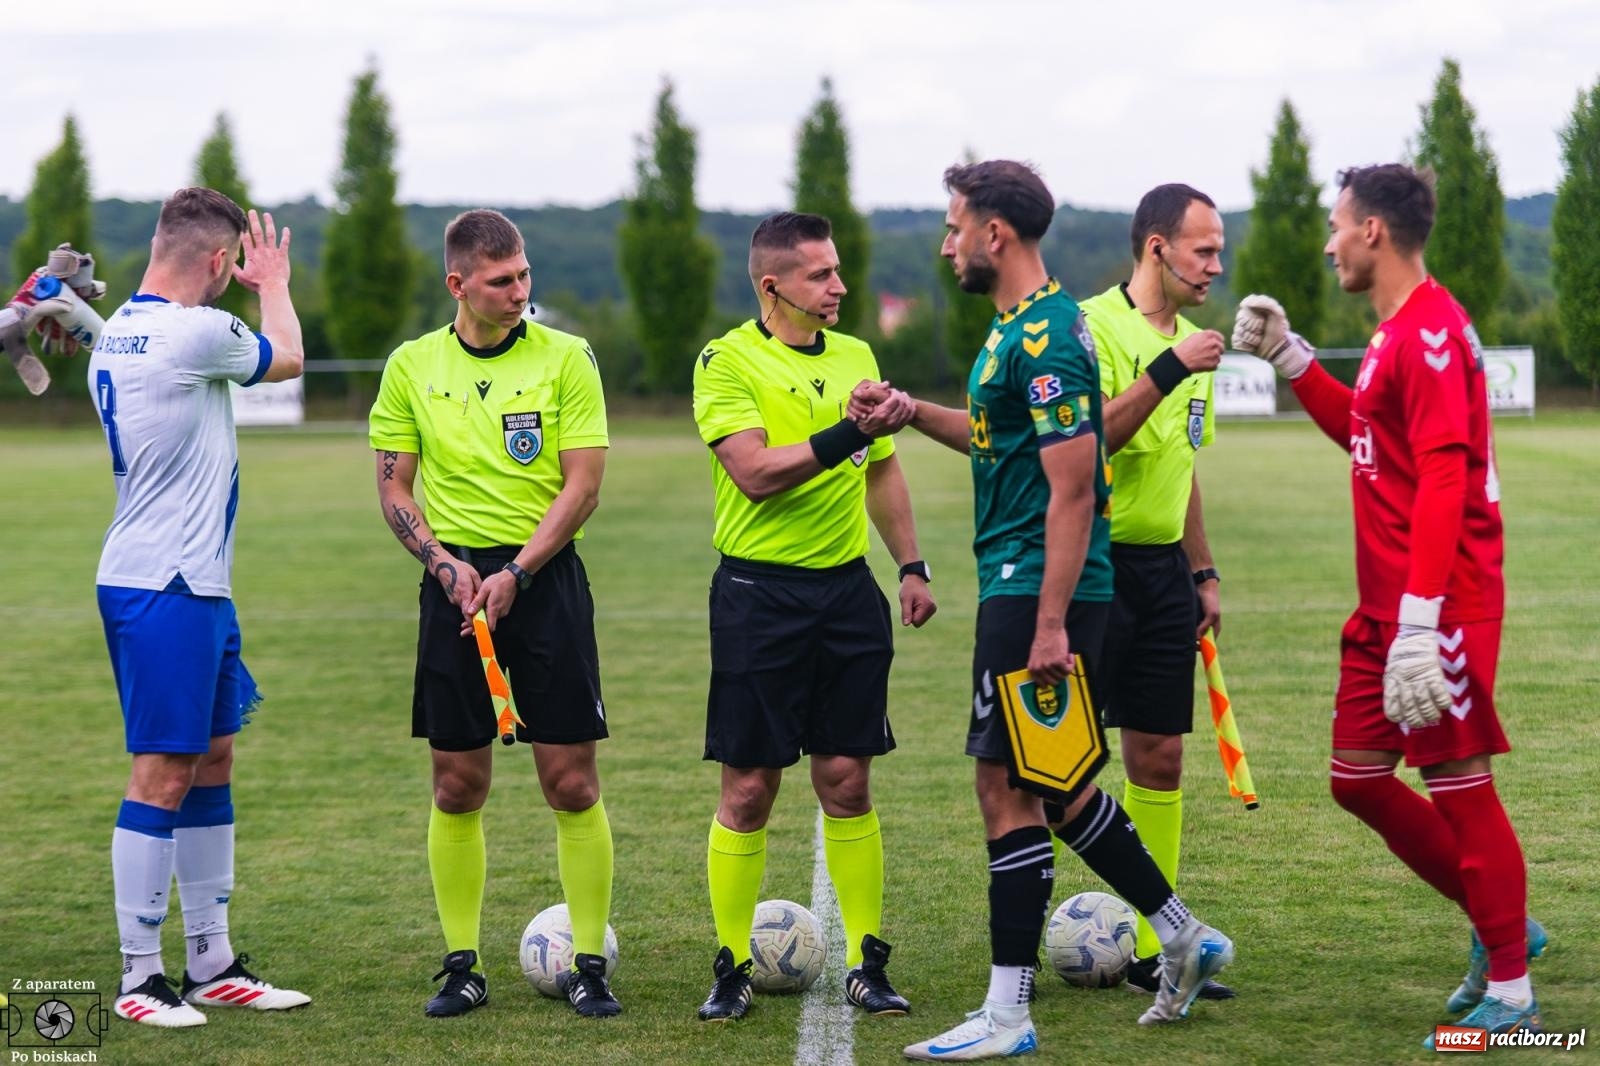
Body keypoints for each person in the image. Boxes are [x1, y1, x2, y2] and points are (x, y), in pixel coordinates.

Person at [849, 161, 1232, 1061]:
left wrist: (1052, 623)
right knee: (1056, 789)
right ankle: (1182, 935)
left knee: (1006, 789)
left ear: (996, 234)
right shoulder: (1016, 328)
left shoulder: (1049, 336)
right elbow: (996, 442)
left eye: (955, 228)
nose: (946, 245)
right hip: (1024, 584)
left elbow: (1074, 487)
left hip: (1033, 590)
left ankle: (1008, 1016)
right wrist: (908, 412)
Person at [1232, 163, 1545, 1048]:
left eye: (1336, 225)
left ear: (1372, 230)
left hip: (1437, 604)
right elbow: (1369, 438)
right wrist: (1293, 360)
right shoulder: (1395, 331)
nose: (1329, 243)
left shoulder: (1432, 332)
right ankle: (1503, 924)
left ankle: (1513, 993)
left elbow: (1444, 474)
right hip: (1391, 605)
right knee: (1359, 778)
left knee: (1459, 783)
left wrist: (1420, 619)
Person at [368, 209, 621, 1019]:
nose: (520, 292)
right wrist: (444, 565)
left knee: (570, 782)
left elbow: (583, 486)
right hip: (454, 588)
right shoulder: (412, 365)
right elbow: (394, 486)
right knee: (456, 784)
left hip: (543, 581)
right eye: (502, 280)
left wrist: (516, 571)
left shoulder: (567, 357)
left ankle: (590, 963)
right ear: (458, 284)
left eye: (524, 275)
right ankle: (462, 966)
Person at [690, 210, 935, 1023]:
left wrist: (910, 565)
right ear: (773, 286)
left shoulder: (858, 355)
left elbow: (881, 470)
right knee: (749, 789)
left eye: (837, 270)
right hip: (757, 597)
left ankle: (868, 961)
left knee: (847, 781)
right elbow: (756, 473)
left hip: (846, 595)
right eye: (820, 274)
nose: (838, 285)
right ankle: (731, 966)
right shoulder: (726, 360)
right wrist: (847, 430)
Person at [90, 188, 309, 1027]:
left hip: (188, 582)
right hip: (166, 586)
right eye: (233, 267)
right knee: (164, 771)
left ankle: (210, 963)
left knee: (212, 758)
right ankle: (140, 976)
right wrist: (273, 283)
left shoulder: (117, 331)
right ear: (221, 262)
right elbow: (288, 356)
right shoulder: (199, 331)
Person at [1078, 183, 1234, 999]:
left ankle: (1157, 949)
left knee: (1161, 757)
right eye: (1204, 250)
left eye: (1219, 251)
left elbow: (1184, 465)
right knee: (1056, 770)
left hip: (1164, 573)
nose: (1216, 266)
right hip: (1088, 569)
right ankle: (1015, 953)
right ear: (1156, 248)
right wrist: (1170, 370)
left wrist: (1201, 570)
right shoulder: (1092, 327)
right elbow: (1091, 439)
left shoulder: (1196, 346)